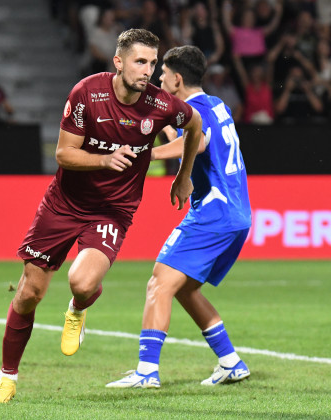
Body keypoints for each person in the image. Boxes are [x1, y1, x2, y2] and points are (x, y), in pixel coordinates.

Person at [0, 28, 203, 404]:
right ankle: (6, 379)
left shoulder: (161, 104)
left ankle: (77, 309)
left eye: (152, 63)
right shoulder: (87, 93)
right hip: (63, 204)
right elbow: (64, 154)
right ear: (118, 62)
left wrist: (183, 178)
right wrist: (105, 158)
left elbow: (195, 126)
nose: (147, 70)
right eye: (139, 61)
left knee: (82, 283)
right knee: (29, 294)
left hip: (112, 210)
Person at [105, 44, 252, 388]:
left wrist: (145, 153)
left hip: (212, 214)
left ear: (177, 78)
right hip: (238, 214)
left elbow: (196, 142)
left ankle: (146, 372)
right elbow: (192, 136)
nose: (159, 77)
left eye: (164, 72)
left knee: (158, 282)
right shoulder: (217, 105)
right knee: (184, 289)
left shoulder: (197, 110)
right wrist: (168, 129)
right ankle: (231, 361)